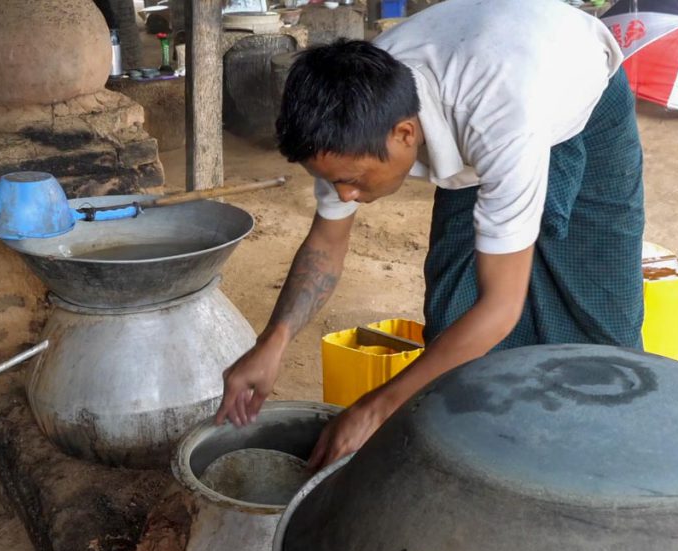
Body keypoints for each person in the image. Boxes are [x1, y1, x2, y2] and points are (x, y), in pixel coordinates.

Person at [216, 0, 644, 468]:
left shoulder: (499, 118)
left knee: (597, 313)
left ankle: (601, 466)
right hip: (480, 97)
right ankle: (486, 464)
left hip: (579, 96)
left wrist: (376, 407)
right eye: (335, 180)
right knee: (454, 306)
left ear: (404, 134)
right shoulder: (345, 118)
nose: (347, 194)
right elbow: (325, 245)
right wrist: (272, 343)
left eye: (354, 180)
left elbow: (501, 307)